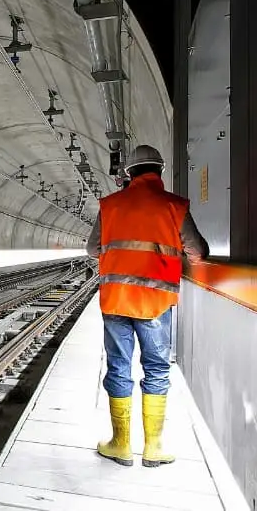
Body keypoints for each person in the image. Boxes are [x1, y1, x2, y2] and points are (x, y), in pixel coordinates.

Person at [86, 144, 209, 468]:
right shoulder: (174, 206)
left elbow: (92, 249)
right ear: (160, 171)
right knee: (156, 368)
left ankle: (120, 444)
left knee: (119, 365)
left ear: (129, 173)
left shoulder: (110, 206)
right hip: (156, 302)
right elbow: (197, 251)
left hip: (115, 300)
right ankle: (153, 447)